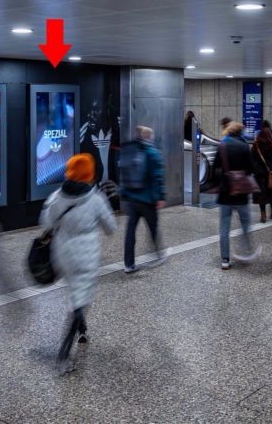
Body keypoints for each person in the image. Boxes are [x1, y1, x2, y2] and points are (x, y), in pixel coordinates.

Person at [40, 153, 116, 373]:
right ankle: (63, 356)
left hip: (62, 256)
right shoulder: (95, 198)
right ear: (90, 174)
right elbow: (111, 228)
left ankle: (83, 331)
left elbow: (44, 222)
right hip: (86, 258)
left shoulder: (57, 196)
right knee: (79, 302)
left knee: (77, 295)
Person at [118, 126, 166, 274]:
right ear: (149, 137)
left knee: (130, 231)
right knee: (153, 228)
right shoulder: (153, 153)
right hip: (147, 200)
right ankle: (158, 255)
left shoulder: (130, 151)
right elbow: (157, 177)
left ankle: (128, 264)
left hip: (132, 199)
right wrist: (160, 197)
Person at [212, 121, 258, 269]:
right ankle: (245, 253)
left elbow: (215, 169)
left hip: (225, 192)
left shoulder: (222, 145)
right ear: (240, 132)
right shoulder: (245, 146)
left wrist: (222, 182)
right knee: (245, 223)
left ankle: (225, 260)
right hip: (241, 193)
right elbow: (251, 169)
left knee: (224, 227)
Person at [252, 120, 272, 223]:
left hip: (259, 173)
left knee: (261, 194)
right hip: (271, 173)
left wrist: (254, 169)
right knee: (271, 192)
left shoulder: (256, 144)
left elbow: (252, 159)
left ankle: (263, 215)